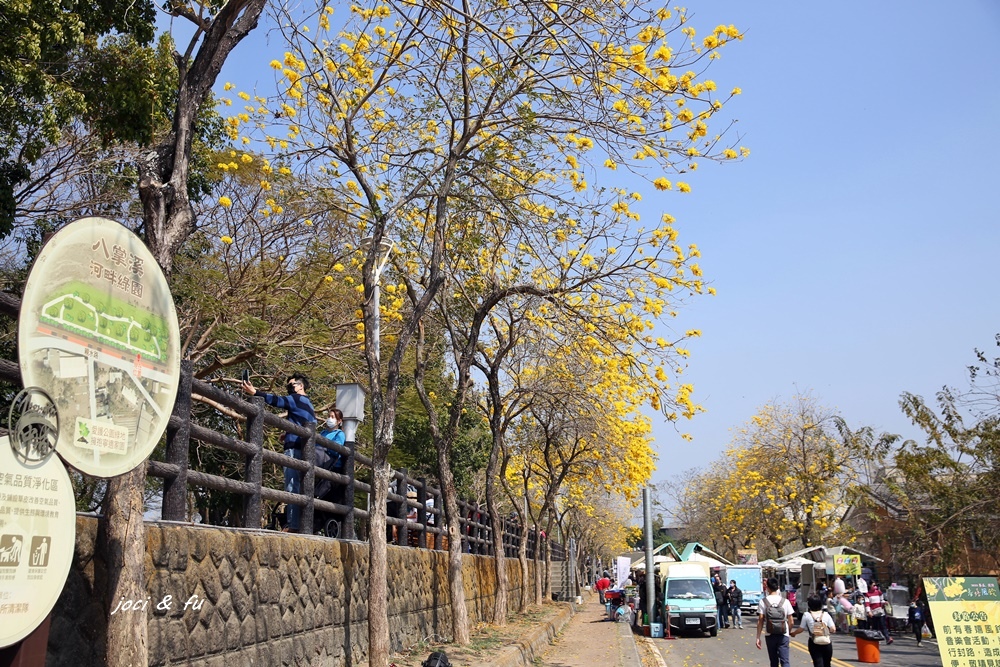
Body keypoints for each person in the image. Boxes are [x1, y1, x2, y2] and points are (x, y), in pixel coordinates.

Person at [243, 372, 315, 532]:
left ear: (300, 386)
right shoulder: (309, 404)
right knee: (299, 487)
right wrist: (288, 433)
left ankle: (293, 525)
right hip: (304, 450)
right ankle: (298, 524)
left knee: (291, 486)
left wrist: (255, 393)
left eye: (291, 385)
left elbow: (277, 400)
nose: (289, 388)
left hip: (293, 450)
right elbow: (303, 422)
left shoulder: (296, 399)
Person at [756, 577, 795, 667]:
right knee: (785, 661)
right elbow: (791, 621)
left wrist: (758, 637)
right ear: (777, 587)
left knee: (773, 661)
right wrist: (788, 630)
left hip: (770, 634)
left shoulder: (763, 602)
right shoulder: (785, 601)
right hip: (783, 634)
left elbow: (760, 620)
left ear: (767, 588)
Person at [791, 595, 836, 667]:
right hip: (826, 642)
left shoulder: (806, 615)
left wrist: (794, 633)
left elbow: (801, 629)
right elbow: (833, 629)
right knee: (827, 664)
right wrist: (824, 630)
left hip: (814, 642)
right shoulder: (826, 614)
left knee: (818, 663)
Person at [315, 408, 345, 499]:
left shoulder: (339, 434)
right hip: (319, 461)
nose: (329, 419)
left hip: (331, 465)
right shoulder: (323, 432)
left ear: (339, 421)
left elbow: (337, 450)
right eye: (329, 416)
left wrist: (325, 447)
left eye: (332, 417)